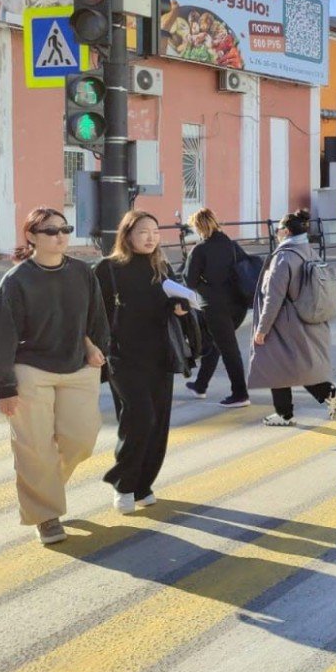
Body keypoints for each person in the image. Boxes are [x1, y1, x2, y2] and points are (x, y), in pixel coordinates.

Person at [0, 207, 108, 544]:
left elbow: (96, 319)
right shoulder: (17, 280)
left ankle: (44, 488)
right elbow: (3, 335)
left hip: (77, 367)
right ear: (32, 237)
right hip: (30, 369)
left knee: (82, 440)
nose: (60, 237)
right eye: (51, 231)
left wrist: (95, 347)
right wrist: (4, 387)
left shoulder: (83, 272)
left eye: (65, 229)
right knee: (34, 448)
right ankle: (46, 515)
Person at [95, 210, 189, 513]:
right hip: (123, 357)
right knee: (140, 417)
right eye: (143, 232)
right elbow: (96, 315)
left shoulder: (161, 267)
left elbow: (178, 301)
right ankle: (123, 484)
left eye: (155, 231)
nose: (151, 238)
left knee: (158, 423)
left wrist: (180, 308)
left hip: (160, 355)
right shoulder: (108, 269)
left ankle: (143, 485)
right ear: (127, 236)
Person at [248, 209, 336, 426]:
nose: (276, 233)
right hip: (302, 319)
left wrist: (262, 329)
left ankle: (287, 413)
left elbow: (273, 297)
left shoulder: (284, 257)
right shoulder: (308, 251)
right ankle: (325, 395)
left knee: (277, 367)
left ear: (286, 231)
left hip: (283, 324)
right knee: (292, 368)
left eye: (278, 230)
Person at [184, 207, 250, 406]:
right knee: (217, 344)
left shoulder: (200, 249)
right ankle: (200, 385)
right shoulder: (231, 245)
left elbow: (190, 281)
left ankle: (240, 394)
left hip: (216, 307)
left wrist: (206, 284)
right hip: (238, 306)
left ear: (199, 226)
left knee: (228, 349)